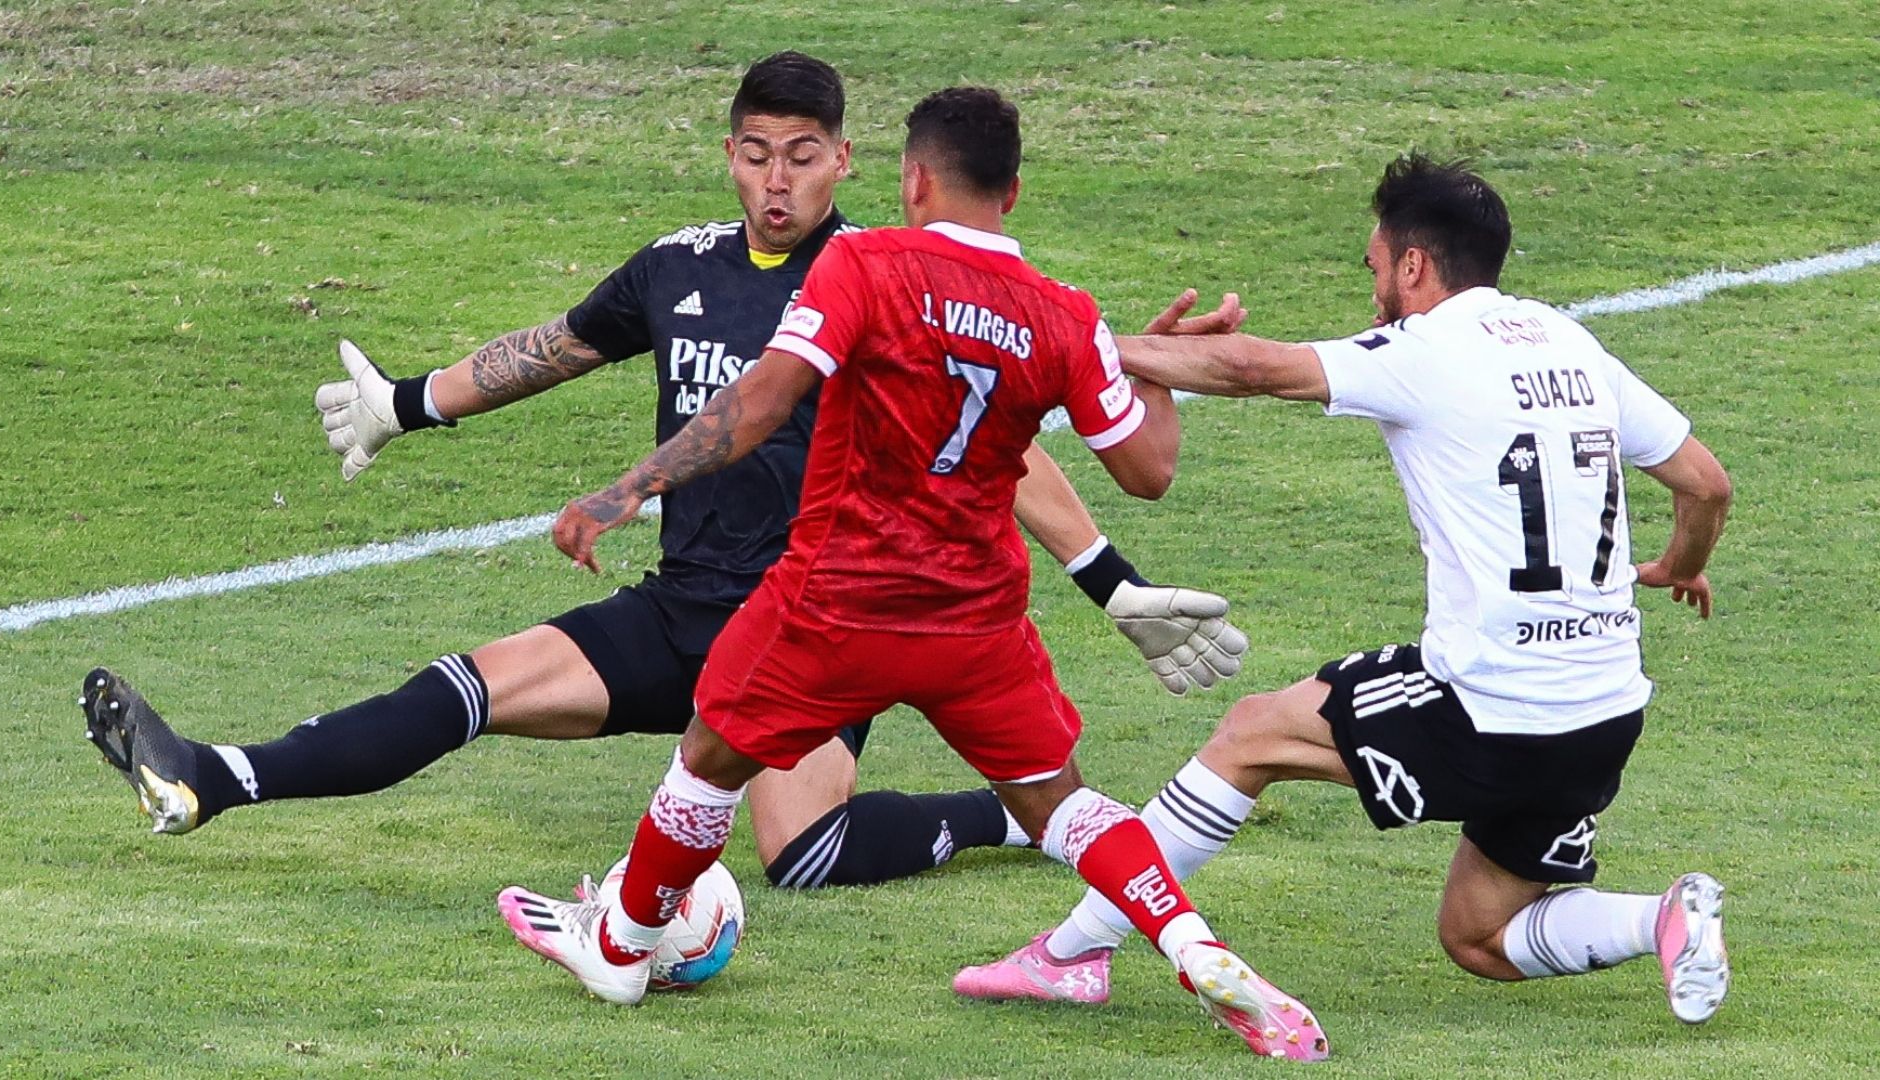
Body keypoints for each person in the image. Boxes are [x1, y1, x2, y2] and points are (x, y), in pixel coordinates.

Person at [77, 52, 1249, 896]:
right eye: (756, 154)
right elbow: (556, 347)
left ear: (851, 161)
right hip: (686, 607)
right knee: (468, 686)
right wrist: (406, 403)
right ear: (729, 156)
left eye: (803, 156)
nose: (778, 179)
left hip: (817, 620)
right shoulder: (681, 266)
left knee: (803, 853)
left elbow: (1001, 452)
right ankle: (209, 778)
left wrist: (1109, 580)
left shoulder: (885, 280)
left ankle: (1011, 815)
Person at [497, 86, 1329, 1061]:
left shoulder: (864, 263)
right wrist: (1157, 374)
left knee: (710, 755)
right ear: (1012, 192)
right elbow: (1148, 473)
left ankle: (624, 943)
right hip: (974, 622)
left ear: (913, 177)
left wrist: (632, 486)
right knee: (1065, 805)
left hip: (833, 600)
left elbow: (763, 401)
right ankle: (1193, 943)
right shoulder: (1063, 315)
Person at [955, 153, 1734, 1031]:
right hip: (1603, 716)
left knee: (1250, 733)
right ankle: (1665, 917)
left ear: (1414, 265)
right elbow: (1705, 483)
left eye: (1374, 268)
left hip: (1493, 704)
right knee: (1477, 935)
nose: (1373, 293)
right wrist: (1678, 563)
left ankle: (1074, 952)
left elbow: (1256, 370)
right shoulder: (1572, 346)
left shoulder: (1428, 348)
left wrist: (1080, 347)